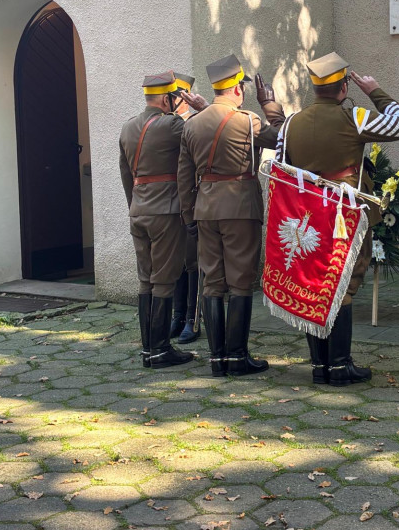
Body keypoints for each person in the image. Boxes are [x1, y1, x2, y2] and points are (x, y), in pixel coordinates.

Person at [279, 52, 399, 386]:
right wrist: (375, 91)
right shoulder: (355, 116)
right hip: (345, 213)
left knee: (313, 283)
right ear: (343, 87)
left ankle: (319, 366)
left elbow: (282, 167)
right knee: (344, 283)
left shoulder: (290, 122)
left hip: (307, 214)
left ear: (315, 88)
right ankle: (340, 366)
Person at [177, 54, 285, 377]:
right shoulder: (248, 121)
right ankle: (237, 358)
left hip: (205, 210)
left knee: (212, 283)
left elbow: (184, 177)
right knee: (240, 282)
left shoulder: (192, 124)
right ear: (237, 88)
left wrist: (189, 216)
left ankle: (216, 359)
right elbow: (283, 138)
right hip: (240, 208)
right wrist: (270, 105)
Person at [119, 71, 194, 369]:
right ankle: (161, 350)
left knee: (145, 279)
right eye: (175, 98)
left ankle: (148, 349)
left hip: (138, 209)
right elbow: (199, 135)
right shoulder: (173, 124)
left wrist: (135, 204)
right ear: (166, 99)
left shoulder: (127, 127)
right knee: (163, 279)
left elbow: (125, 173)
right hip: (165, 210)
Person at [168, 73, 208, 345]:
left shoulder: (195, 123)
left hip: (192, 200)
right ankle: (178, 314)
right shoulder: (164, 124)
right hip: (172, 201)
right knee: (178, 261)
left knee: (194, 262)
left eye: (173, 96)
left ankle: (193, 319)